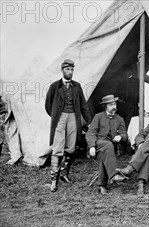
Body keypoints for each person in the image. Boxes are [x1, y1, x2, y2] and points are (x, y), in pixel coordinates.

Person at [44, 59, 92, 192]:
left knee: (71, 147)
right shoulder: (55, 86)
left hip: (73, 118)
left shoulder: (77, 86)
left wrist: (89, 122)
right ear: (62, 70)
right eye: (67, 69)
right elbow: (48, 105)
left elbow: (83, 105)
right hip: (60, 118)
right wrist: (56, 116)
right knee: (57, 148)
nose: (70, 72)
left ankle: (64, 174)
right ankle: (54, 181)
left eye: (71, 69)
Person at [86, 95, 128, 194]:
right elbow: (91, 133)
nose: (114, 107)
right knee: (108, 145)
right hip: (97, 144)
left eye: (115, 104)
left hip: (108, 149)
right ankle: (113, 175)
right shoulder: (98, 116)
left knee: (104, 154)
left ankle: (102, 185)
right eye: (111, 105)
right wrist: (92, 146)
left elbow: (125, 135)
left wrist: (120, 137)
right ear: (105, 107)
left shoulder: (119, 119)